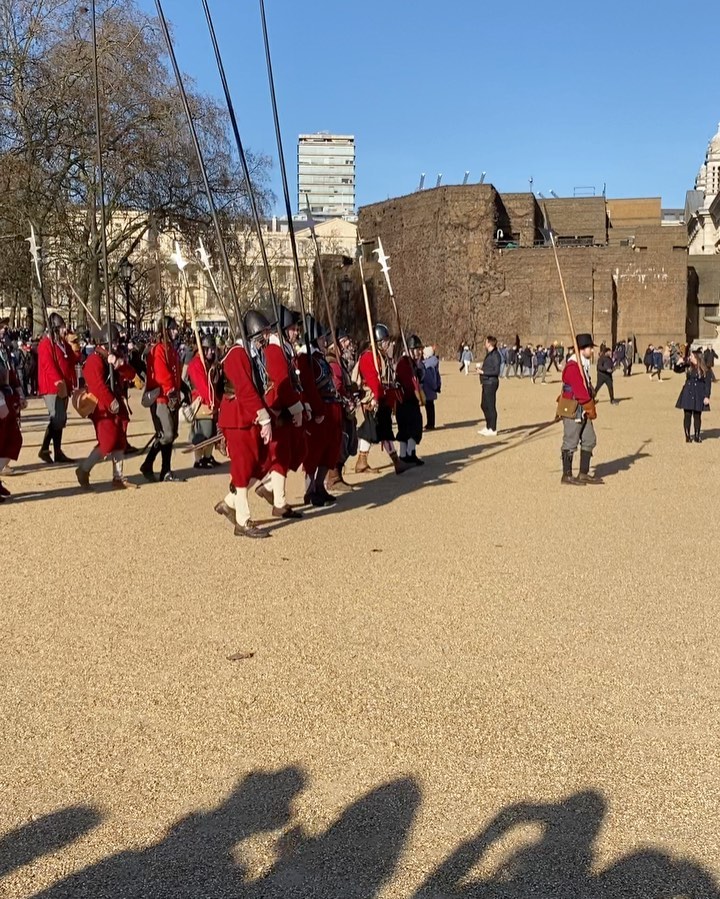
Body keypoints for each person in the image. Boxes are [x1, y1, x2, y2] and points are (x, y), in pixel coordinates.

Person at [214, 322, 273, 538]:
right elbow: (245, 389)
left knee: (261, 462)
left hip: (247, 418)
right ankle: (243, 520)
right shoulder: (237, 354)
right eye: (263, 333)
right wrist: (263, 416)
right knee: (242, 468)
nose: (265, 337)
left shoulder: (251, 353)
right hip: (237, 417)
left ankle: (229, 503)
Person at [249, 308, 305, 519]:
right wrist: (295, 406)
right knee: (276, 457)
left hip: (284, 407)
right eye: (292, 328)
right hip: (276, 408)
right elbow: (281, 383)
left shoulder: (285, 349)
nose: (295, 332)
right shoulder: (275, 350)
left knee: (288, 454)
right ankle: (268, 497)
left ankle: (274, 492)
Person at [75, 324, 136, 490]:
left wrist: (119, 365)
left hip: (115, 401)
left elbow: (130, 374)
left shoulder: (114, 357)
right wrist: (110, 401)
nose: (116, 345)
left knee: (120, 439)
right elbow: (97, 385)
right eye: (113, 342)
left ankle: (118, 477)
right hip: (102, 407)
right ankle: (84, 469)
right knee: (107, 442)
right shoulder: (94, 360)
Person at [296, 315, 345, 506]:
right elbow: (308, 387)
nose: (325, 341)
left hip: (331, 407)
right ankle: (310, 490)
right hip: (319, 410)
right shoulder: (305, 359)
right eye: (322, 338)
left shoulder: (318, 357)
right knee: (314, 453)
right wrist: (317, 410)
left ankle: (319, 485)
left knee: (330, 450)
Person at [355, 323, 409, 475]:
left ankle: (393, 461)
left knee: (382, 431)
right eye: (385, 341)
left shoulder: (382, 356)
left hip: (382, 399)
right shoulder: (368, 357)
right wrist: (377, 398)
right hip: (372, 400)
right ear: (378, 342)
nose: (388, 343)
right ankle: (365, 461)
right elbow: (372, 380)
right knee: (372, 431)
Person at [140, 316, 184, 482]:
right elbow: (161, 374)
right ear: (165, 330)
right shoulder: (158, 349)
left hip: (171, 396)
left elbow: (175, 372)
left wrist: (181, 389)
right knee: (167, 434)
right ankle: (153, 465)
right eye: (172, 328)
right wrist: (171, 391)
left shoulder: (170, 349)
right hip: (161, 397)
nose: (175, 331)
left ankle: (163, 469)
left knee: (170, 434)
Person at [559, 334, 602, 486]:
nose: (592, 351)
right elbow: (579, 391)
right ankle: (567, 475)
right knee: (570, 441)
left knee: (589, 439)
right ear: (583, 349)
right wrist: (590, 407)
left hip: (582, 408)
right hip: (574, 408)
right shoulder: (573, 367)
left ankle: (583, 473)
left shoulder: (583, 364)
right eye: (590, 348)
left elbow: (586, 388)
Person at [37, 312, 78, 464]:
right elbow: (49, 366)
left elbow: (73, 359)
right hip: (52, 386)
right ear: (55, 328)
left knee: (60, 419)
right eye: (61, 328)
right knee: (57, 417)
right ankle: (48, 449)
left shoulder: (62, 344)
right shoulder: (45, 345)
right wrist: (58, 381)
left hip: (64, 386)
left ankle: (53, 450)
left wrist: (75, 345)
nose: (64, 330)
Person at [186, 335, 221, 470]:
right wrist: (212, 401)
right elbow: (202, 386)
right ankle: (198, 459)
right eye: (210, 349)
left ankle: (208, 456)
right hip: (201, 401)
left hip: (211, 401)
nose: (212, 352)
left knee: (211, 432)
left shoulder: (209, 363)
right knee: (202, 432)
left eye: (213, 349)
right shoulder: (196, 364)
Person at [0, 326, 26, 500]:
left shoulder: (3, 348)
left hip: (7, 396)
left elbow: (10, 373)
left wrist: (19, 392)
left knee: (13, 439)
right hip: (0, 398)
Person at [396, 334, 425, 465]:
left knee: (413, 427)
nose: (419, 352)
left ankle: (409, 453)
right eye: (417, 349)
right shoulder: (403, 363)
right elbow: (407, 383)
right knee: (408, 428)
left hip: (411, 400)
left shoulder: (412, 363)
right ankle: (405, 454)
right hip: (405, 400)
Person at [675, 349, 712, 443]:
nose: (690, 357)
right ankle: (687, 436)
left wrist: (707, 396)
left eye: (691, 356)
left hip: (699, 392)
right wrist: (678, 363)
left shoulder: (705, 369)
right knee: (687, 414)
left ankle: (697, 435)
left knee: (697, 415)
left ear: (697, 357)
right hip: (688, 391)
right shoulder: (688, 366)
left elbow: (707, 384)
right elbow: (677, 370)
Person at [477, 335, 501, 437]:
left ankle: (493, 428)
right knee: (483, 405)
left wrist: (483, 371)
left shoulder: (495, 355)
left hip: (491, 382)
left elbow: (496, 371)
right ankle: (488, 426)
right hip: (486, 382)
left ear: (490, 343)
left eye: (486, 342)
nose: (485, 343)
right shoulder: (490, 354)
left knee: (491, 406)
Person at [421, 344, 441, 430]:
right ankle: (430, 423)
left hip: (428, 389)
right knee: (430, 407)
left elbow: (429, 379)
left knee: (429, 408)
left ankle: (430, 424)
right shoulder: (433, 362)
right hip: (431, 389)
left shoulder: (428, 365)